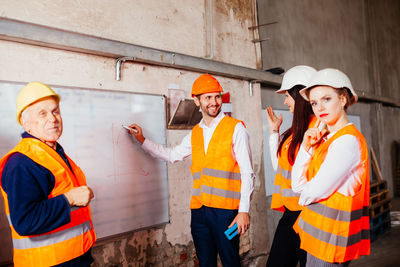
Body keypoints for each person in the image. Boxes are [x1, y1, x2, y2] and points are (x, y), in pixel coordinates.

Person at [125, 74, 254, 267]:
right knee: (205, 262)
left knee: (230, 262)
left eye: (217, 97)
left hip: (226, 212)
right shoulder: (195, 133)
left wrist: (243, 211)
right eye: (208, 97)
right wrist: (143, 141)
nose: (214, 102)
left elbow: (247, 172)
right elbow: (171, 155)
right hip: (199, 212)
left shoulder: (236, 129)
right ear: (197, 101)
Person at [0, 82, 96, 267]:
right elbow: (25, 221)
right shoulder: (21, 163)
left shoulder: (53, 153)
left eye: (55, 111)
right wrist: (69, 198)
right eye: (42, 113)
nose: (53, 119)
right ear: (25, 123)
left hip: (74, 258)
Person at [291, 68, 370, 266]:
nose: (319, 108)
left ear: (343, 99)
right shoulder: (325, 140)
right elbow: (298, 186)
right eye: (314, 103)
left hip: (332, 240)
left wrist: (306, 194)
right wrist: (306, 147)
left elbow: (310, 192)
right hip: (318, 237)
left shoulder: (347, 142)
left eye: (327, 99)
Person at [265, 65, 317, 267]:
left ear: (300, 95)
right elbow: (280, 167)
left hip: (310, 216)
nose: (285, 101)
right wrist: (273, 133)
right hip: (290, 215)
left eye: (287, 95)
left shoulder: (317, 130)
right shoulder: (293, 133)